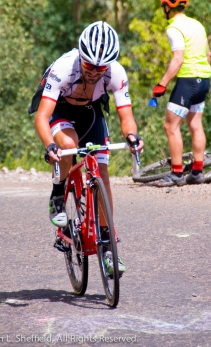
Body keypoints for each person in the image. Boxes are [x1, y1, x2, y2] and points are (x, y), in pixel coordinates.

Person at [33, 21, 144, 276]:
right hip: (59, 109)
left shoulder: (116, 73)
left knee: (101, 172)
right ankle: (58, 194)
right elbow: (41, 117)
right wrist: (49, 144)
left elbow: (126, 115)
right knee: (69, 145)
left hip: (90, 113)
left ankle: (107, 247)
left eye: (101, 67)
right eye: (89, 66)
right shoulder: (63, 68)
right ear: (81, 57)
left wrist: (131, 136)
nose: (95, 72)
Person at [152, 0, 211, 186]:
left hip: (188, 80)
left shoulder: (174, 28)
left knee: (171, 125)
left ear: (167, 7)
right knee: (195, 125)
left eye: (163, 6)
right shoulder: (197, 25)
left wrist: (162, 84)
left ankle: (177, 174)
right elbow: (208, 55)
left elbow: (178, 59)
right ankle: (197, 172)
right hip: (204, 80)